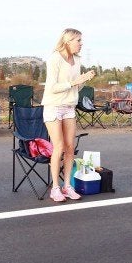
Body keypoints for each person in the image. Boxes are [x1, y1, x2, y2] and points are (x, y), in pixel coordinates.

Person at [41, 28, 95, 202]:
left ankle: (67, 186)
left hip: (69, 106)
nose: (81, 44)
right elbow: (52, 87)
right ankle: (55, 188)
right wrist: (74, 82)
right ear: (68, 41)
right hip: (53, 106)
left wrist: (83, 80)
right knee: (58, 147)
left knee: (70, 147)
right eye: (78, 41)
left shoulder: (77, 60)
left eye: (81, 41)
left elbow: (75, 87)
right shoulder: (54, 58)